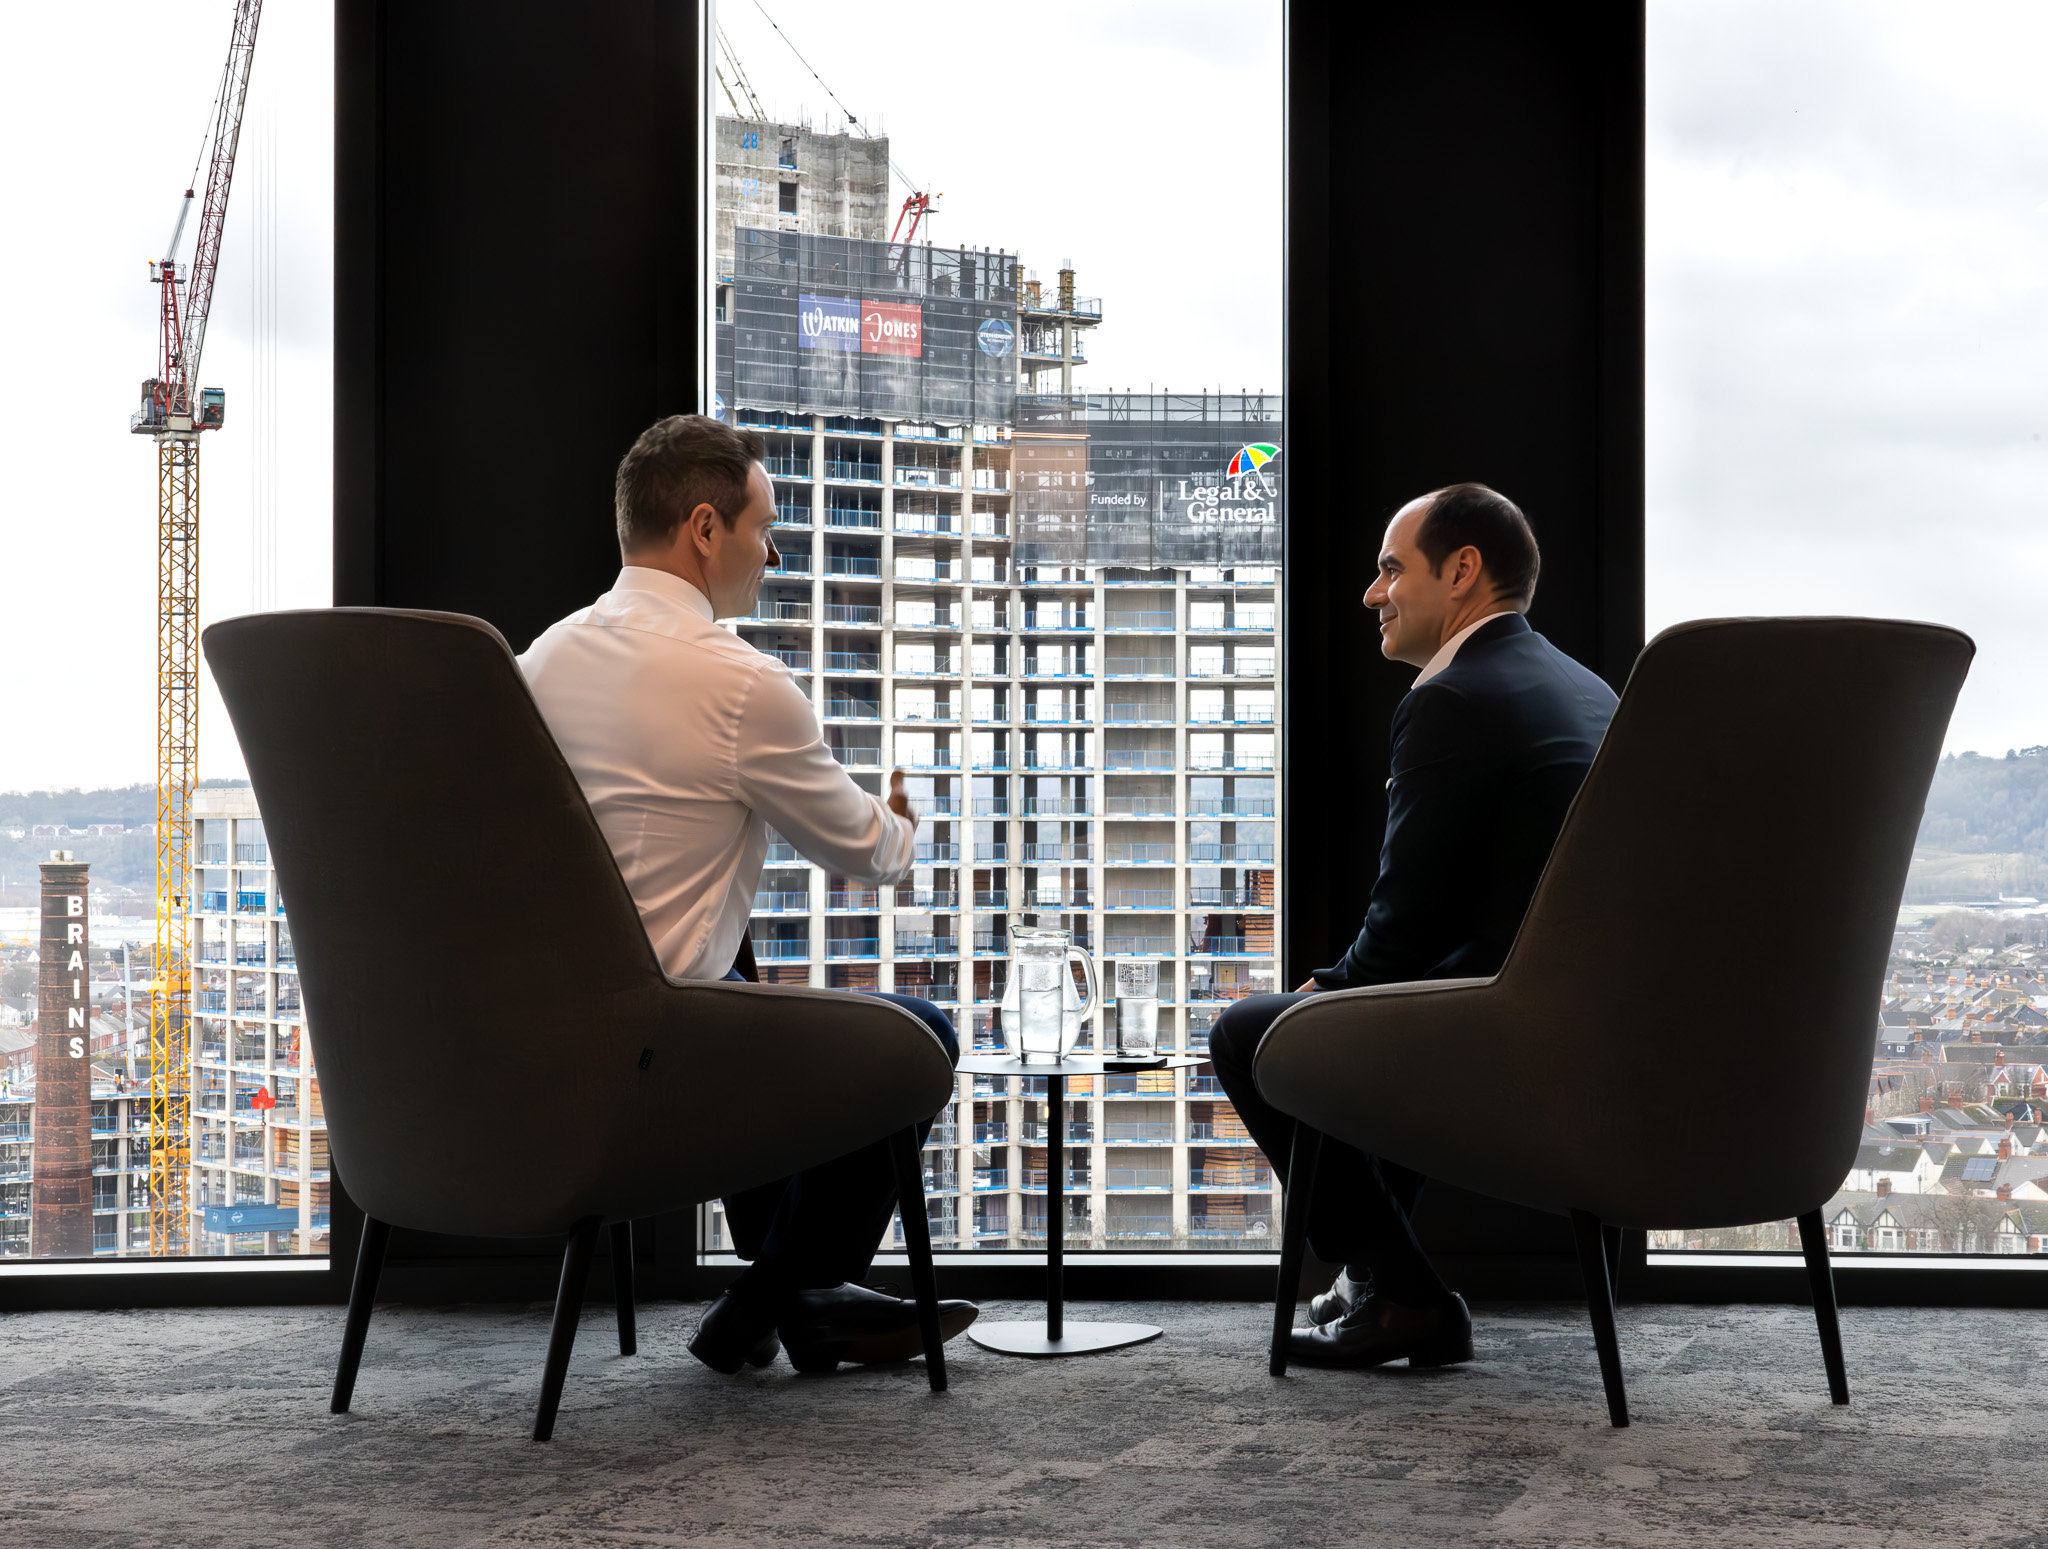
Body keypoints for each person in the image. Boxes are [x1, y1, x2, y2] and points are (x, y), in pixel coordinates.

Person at [518, 413, 977, 1377]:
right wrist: (902, 815)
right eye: (764, 527)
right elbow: (871, 855)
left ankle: (807, 1303)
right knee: (920, 1035)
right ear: (704, 528)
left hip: (542, 1047)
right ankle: (768, 1296)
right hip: (663, 1057)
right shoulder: (739, 683)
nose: (771, 551)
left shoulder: (539, 661)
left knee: (739, 954)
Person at [1211, 483, 1618, 1368]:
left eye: (1392, 569)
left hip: (1513, 1026)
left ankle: (1403, 1295)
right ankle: (1378, 1278)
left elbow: (1404, 921)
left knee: (1250, 1034)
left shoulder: (1455, 696)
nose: (1371, 592)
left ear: (1462, 571)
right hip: (1590, 1018)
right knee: (1363, 1022)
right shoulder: (1584, 688)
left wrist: (1334, 988)